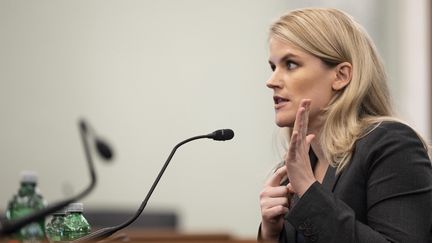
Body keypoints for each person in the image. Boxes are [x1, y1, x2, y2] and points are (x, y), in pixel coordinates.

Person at [258, 8, 432, 243]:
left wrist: (309, 192)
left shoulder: (391, 145)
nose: (271, 81)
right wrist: (270, 234)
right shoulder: (298, 167)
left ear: (341, 76)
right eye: (273, 67)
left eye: (290, 64)